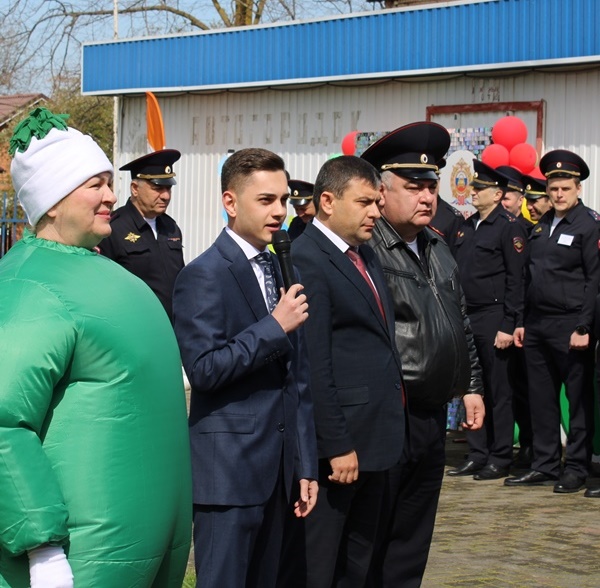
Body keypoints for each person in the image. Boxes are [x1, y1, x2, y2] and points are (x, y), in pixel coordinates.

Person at [0, 107, 191, 587]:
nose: (111, 196)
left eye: (109, 183)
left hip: (145, 549)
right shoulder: (29, 287)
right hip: (80, 560)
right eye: (96, 185)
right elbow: (4, 422)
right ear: (53, 200)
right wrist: (42, 549)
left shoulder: (100, 271)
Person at [172, 148, 318, 588]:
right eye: (266, 200)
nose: (279, 211)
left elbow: (298, 378)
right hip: (229, 475)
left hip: (281, 472)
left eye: (284, 200)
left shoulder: (282, 266)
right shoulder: (204, 274)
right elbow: (204, 369)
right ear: (230, 202)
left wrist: (305, 462)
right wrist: (274, 327)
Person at [359, 121, 485, 587]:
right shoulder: (366, 249)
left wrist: (471, 386)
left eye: (431, 186)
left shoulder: (437, 244)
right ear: (381, 191)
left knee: (412, 540)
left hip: (430, 414)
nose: (427, 197)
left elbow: (460, 319)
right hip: (388, 413)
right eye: (413, 187)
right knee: (373, 535)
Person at [279, 155, 406, 588]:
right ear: (328, 202)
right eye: (364, 202)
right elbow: (313, 363)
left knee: (357, 565)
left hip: (374, 440)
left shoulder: (363, 255)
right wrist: (336, 444)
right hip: (339, 452)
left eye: (377, 203)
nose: (376, 213)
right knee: (320, 567)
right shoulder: (308, 259)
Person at [505, 149, 600, 493]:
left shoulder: (588, 224)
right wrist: (521, 321)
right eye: (553, 189)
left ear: (578, 189)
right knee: (541, 398)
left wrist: (584, 326)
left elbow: (593, 280)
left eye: (565, 189)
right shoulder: (542, 225)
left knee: (577, 400)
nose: (558, 195)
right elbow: (528, 277)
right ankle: (544, 464)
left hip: (570, 324)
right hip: (537, 324)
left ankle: (576, 466)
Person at [448, 160, 527, 480]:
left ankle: (500, 455)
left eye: (479, 189)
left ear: (497, 194)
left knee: (499, 390)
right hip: (468, 315)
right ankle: (477, 452)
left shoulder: (509, 226)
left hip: (494, 316)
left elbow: (516, 279)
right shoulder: (467, 226)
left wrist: (508, 324)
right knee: (473, 387)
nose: (473, 193)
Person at [98, 149, 184, 321]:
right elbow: (103, 290)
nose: (166, 196)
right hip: (135, 325)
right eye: (157, 188)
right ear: (135, 189)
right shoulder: (113, 229)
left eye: (168, 188)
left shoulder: (171, 227)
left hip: (175, 327)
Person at [497, 165, 534, 466]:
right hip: (511, 320)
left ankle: (531, 446)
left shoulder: (518, 228)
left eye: (508, 195)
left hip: (523, 320)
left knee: (524, 388)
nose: (504, 200)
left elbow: (519, 279)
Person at [497, 165, 534, 232]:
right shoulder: (485, 226)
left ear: (520, 200)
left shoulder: (529, 231)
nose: (501, 203)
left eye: (505, 199)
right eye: (498, 198)